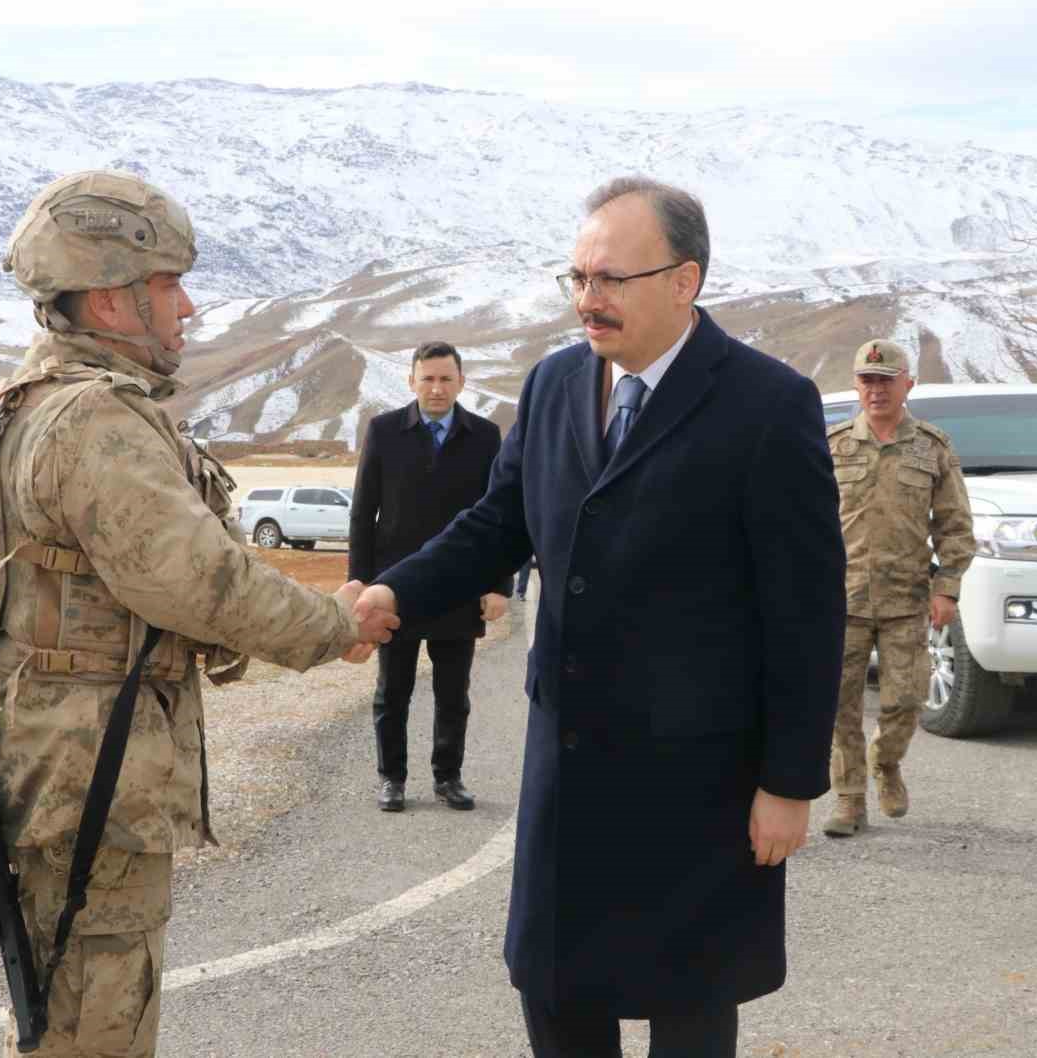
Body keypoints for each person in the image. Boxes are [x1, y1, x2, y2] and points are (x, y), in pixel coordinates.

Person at [354, 176, 846, 1058]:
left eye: (611, 278)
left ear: (684, 281)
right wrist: (396, 590)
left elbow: (806, 610)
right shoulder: (554, 383)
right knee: (555, 990)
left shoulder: (767, 405)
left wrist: (789, 782)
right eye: (577, 277)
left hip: (697, 778)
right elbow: (498, 523)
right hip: (569, 761)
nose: (588, 299)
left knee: (689, 1004)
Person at [0, 169, 397, 1058]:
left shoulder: (40, 401)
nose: (187, 307)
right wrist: (334, 627)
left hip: (71, 756)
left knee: (72, 1008)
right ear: (110, 300)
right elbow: (197, 580)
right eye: (167, 286)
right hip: (93, 770)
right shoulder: (94, 419)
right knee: (96, 1021)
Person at [349, 340, 511, 812]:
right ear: (412, 381)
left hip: (458, 586)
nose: (436, 388)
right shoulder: (384, 431)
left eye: (445, 379)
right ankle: (392, 779)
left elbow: (502, 516)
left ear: (461, 382)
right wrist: (360, 583)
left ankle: (448, 777)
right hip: (394, 587)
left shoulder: (484, 436)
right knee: (392, 691)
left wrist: (498, 585)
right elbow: (363, 514)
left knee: (453, 694)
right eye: (428, 379)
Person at [823, 340, 973, 837]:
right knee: (839, 704)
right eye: (867, 380)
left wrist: (946, 588)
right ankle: (849, 799)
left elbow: (955, 525)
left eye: (886, 380)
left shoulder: (931, 447)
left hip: (906, 598)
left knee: (905, 700)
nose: (876, 390)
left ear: (908, 383)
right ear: (856, 384)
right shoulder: (831, 445)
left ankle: (885, 762)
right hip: (840, 598)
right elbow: (804, 522)